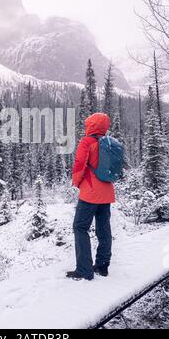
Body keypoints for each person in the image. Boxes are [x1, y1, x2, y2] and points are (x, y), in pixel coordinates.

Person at [67, 113, 115, 281]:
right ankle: (102, 266)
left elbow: (79, 165)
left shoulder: (87, 142)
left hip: (90, 192)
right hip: (107, 192)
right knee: (104, 229)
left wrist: (76, 183)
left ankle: (84, 270)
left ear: (90, 126)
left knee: (80, 227)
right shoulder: (109, 142)